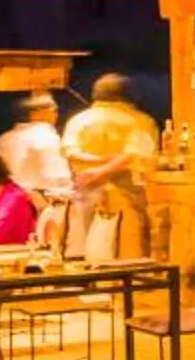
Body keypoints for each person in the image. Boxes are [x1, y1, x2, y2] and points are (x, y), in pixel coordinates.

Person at [62, 75, 158, 256]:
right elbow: (134, 154)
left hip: (86, 192)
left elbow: (70, 152)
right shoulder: (139, 120)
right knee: (127, 253)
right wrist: (105, 168)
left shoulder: (78, 120)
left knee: (88, 253)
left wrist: (97, 166)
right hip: (125, 195)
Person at [0, 92, 72, 200]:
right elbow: (57, 175)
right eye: (54, 110)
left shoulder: (3, 139)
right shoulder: (44, 134)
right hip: (40, 199)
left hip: (10, 198)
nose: (56, 115)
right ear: (36, 113)